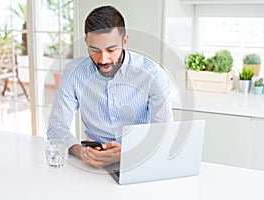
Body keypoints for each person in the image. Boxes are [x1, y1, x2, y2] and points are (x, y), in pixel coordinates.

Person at [46, 5, 173, 168]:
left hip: (140, 164)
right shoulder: (74, 72)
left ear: (124, 41)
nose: (103, 59)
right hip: (92, 166)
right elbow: (57, 126)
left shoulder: (152, 74)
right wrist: (80, 151)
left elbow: (163, 135)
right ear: (86, 41)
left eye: (111, 50)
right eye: (94, 50)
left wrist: (126, 153)